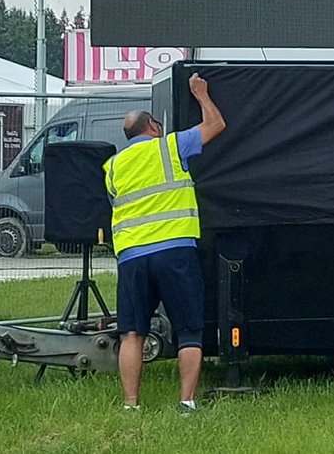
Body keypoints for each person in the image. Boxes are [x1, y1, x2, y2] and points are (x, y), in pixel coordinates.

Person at [105, 72, 226, 412]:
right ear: (153, 127)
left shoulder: (112, 167)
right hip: (174, 252)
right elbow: (216, 125)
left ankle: (131, 404)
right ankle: (186, 402)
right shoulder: (171, 145)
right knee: (189, 330)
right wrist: (201, 94)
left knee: (132, 333)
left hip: (132, 257)